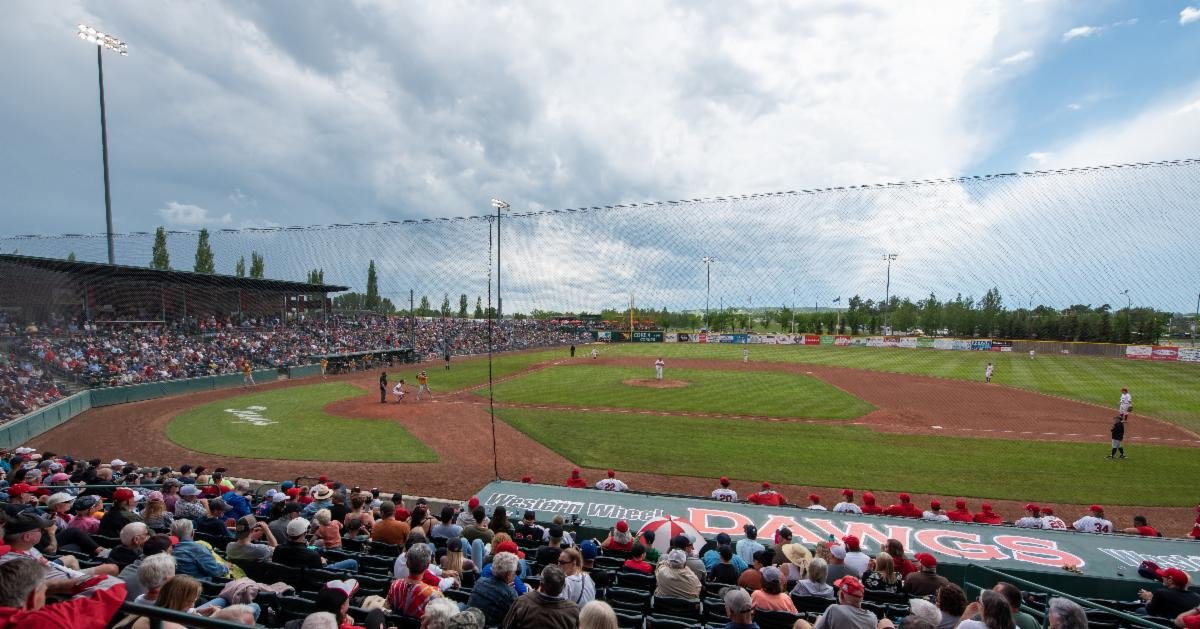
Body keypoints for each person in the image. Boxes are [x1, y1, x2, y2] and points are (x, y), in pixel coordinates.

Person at [0, 557, 126, 629]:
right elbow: (111, 583)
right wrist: (54, 585)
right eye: (44, 591)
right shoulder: (44, 622)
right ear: (33, 598)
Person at [502, 564, 578, 629]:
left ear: (541, 584)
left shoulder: (522, 602)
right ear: (563, 587)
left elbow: (506, 626)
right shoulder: (573, 610)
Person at [387, 544, 444, 619]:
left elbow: (389, 608)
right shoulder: (434, 593)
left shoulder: (394, 585)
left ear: (407, 564)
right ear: (427, 566)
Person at [468, 551, 519, 626]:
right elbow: (513, 620)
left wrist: (506, 588)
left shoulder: (479, 582)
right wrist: (508, 590)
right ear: (508, 575)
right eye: (514, 572)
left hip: (470, 623)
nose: (515, 575)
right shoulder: (511, 593)